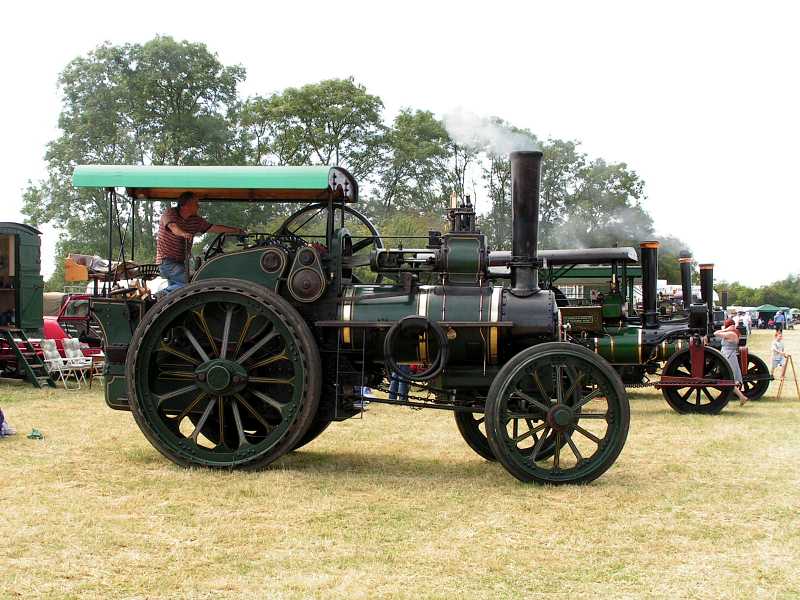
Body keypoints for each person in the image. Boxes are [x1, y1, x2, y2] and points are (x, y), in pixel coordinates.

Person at [157, 192, 245, 294]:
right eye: (196, 204)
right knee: (192, 285)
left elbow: (213, 228)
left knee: (177, 297)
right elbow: (173, 227)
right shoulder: (169, 213)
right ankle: (163, 294)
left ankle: (166, 300)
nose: (198, 207)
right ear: (185, 205)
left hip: (181, 262)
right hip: (167, 262)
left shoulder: (196, 220)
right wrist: (184, 234)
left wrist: (236, 230)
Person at [713, 318, 750, 406]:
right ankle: (740, 397)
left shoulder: (731, 333)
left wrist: (726, 329)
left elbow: (716, 333)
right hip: (729, 355)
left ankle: (742, 397)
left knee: (729, 380)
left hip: (728, 356)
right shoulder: (735, 333)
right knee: (730, 379)